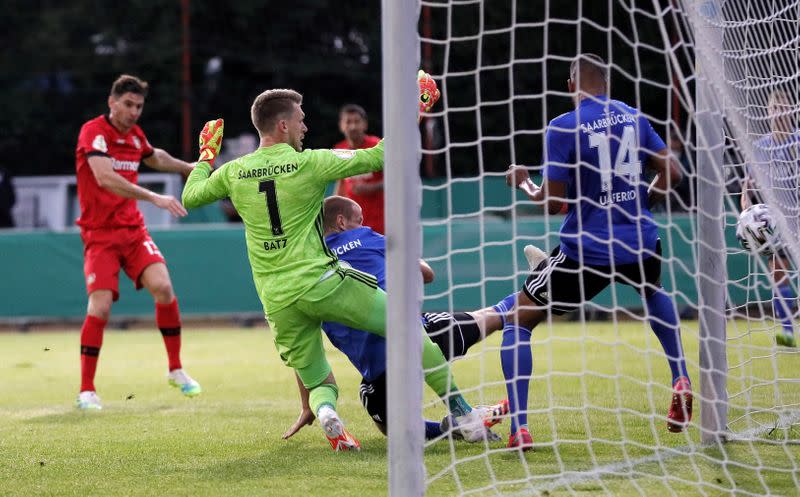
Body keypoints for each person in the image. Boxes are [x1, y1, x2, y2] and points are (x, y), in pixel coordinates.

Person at [182, 84, 490, 452]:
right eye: (300, 120)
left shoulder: (233, 172)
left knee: (319, 381)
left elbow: (190, 196)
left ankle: (328, 415)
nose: (305, 127)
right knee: (406, 326)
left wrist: (205, 155)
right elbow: (382, 155)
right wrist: (416, 105)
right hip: (321, 281)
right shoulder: (310, 162)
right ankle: (465, 415)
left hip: (276, 298)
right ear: (282, 125)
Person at [503, 54, 692, 448]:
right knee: (653, 291)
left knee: (519, 318)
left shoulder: (562, 127)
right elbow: (671, 172)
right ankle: (681, 376)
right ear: (606, 82)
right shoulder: (634, 117)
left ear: (572, 84)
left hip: (586, 250)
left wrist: (523, 183)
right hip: (639, 240)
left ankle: (518, 427)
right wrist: (644, 198)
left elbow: (552, 202)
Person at [281, 196, 514, 442]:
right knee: (489, 317)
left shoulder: (311, 266)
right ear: (341, 222)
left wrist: (306, 404)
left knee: (388, 426)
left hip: (379, 372)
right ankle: (535, 291)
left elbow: (305, 350)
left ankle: (447, 428)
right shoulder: (366, 237)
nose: (362, 224)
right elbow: (427, 274)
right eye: (359, 220)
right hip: (419, 338)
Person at [74, 74, 201, 410]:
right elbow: (104, 178)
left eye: (139, 106)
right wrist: (152, 196)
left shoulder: (135, 136)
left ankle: (175, 369)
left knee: (163, 287)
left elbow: (154, 155)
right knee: (100, 306)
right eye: (128, 104)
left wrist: (186, 167)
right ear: (112, 102)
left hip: (132, 232)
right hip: (100, 235)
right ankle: (87, 389)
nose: (133, 112)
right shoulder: (94, 132)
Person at [740, 89, 799, 348]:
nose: (778, 113)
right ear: (768, 112)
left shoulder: (798, 142)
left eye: (783, 108)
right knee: (778, 275)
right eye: (774, 108)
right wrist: (745, 205)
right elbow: (749, 183)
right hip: (775, 222)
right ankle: (787, 332)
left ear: (792, 111)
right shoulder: (761, 147)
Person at [332, 104, 385, 234]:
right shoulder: (339, 150)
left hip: (381, 222)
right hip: (352, 225)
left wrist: (371, 188)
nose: (353, 126)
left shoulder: (376, 146)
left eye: (357, 121)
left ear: (365, 124)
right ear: (341, 125)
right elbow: (341, 184)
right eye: (348, 122)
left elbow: (395, 178)